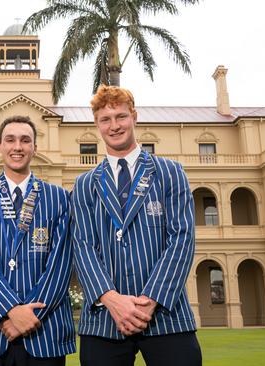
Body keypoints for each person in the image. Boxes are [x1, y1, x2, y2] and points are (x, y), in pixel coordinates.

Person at [71, 85, 202, 366]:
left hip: (166, 315)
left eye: (121, 117)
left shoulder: (170, 172)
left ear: (134, 117)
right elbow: (83, 247)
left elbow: (182, 238)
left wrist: (150, 300)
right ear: (97, 125)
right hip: (105, 321)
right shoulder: (84, 184)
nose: (114, 126)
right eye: (105, 120)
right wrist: (112, 300)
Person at [0, 116, 75, 366]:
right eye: (10, 140)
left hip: (45, 332)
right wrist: (9, 311)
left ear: (35, 147)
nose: (18, 147)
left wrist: (29, 316)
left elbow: (61, 264)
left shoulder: (59, 198)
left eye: (25, 140)